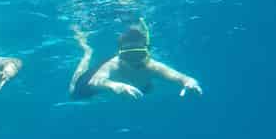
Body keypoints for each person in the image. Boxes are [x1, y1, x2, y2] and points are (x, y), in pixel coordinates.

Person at [69, 19, 202, 100]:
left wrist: (190, 82)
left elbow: (182, 77)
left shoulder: (153, 66)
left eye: (138, 54)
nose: (134, 61)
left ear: (147, 53)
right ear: (120, 55)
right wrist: (114, 86)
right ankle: (87, 52)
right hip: (89, 88)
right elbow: (94, 82)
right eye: (129, 55)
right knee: (73, 92)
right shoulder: (113, 65)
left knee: (148, 90)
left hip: (137, 87)